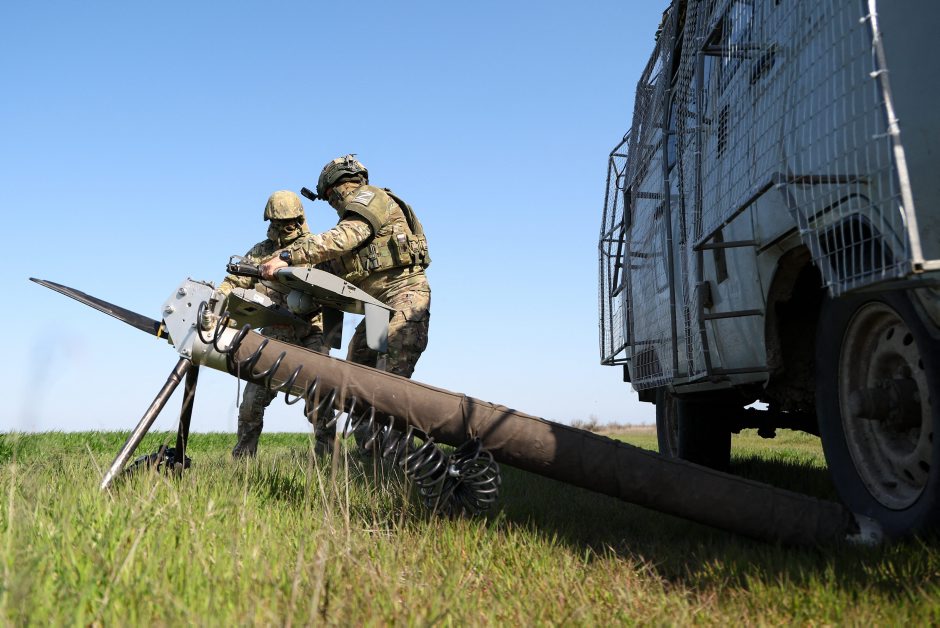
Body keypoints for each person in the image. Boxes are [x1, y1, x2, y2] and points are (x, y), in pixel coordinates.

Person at [260, 156, 431, 448]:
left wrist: (288, 256)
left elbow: (344, 237)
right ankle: (370, 454)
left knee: (390, 382)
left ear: (337, 188)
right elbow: (330, 268)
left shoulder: (371, 199)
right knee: (356, 372)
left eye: (330, 198)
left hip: (404, 297)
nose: (333, 205)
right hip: (378, 310)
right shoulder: (358, 224)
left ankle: (404, 463)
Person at [217, 190, 329, 458]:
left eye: (289, 222)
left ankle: (329, 462)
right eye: (278, 222)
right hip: (273, 336)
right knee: (250, 404)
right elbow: (234, 283)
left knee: (320, 403)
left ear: (299, 219)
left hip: (311, 334)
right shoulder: (260, 252)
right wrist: (217, 301)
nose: (283, 227)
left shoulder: (314, 247)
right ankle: (243, 465)